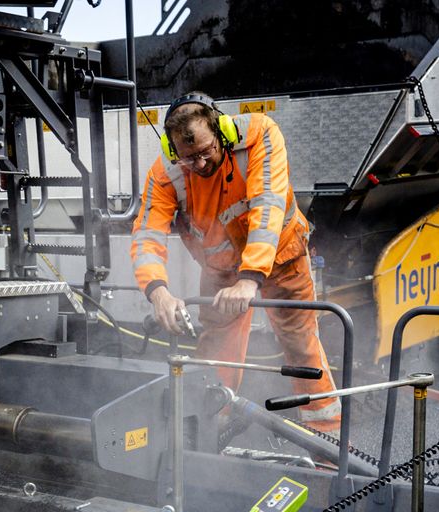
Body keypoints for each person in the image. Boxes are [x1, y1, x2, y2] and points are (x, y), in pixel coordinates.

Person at [130, 92, 341, 433]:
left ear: (223, 132)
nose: (199, 165)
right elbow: (146, 236)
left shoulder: (261, 135)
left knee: (301, 345)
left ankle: (328, 442)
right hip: (221, 271)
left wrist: (250, 277)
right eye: (188, 159)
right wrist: (158, 291)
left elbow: (268, 205)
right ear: (172, 151)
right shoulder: (165, 174)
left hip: (282, 258)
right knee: (216, 353)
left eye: (205, 152)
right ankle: (208, 436)